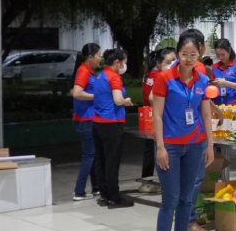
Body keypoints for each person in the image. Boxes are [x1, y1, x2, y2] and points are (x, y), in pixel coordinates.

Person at [150, 32, 214, 231]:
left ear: (200, 54)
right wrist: (160, 147)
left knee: (188, 198)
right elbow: (157, 115)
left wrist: (210, 144)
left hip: (195, 144)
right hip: (170, 147)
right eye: (184, 54)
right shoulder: (164, 78)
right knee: (170, 199)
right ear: (177, 54)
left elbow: (205, 114)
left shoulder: (202, 78)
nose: (188, 59)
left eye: (193, 55)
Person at [92, 48, 135, 208]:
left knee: (101, 161)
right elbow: (117, 100)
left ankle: (104, 195)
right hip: (111, 124)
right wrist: (126, 100)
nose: (125, 65)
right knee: (112, 162)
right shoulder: (114, 77)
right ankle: (115, 197)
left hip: (97, 124)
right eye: (124, 62)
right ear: (117, 62)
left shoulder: (100, 75)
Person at [210, 38, 236, 178]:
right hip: (219, 110)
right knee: (218, 144)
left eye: (223, 54)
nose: (221, 58)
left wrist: (226, 83)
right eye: (218, 55)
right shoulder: (215, 68)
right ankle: (218, 176)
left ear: (229, 51)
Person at [71, 43, 101, 201]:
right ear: (90, 57)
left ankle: (96, 187)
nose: (100, 58)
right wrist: (97, 97)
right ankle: (79, 190)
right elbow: (77, 93)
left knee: (92, 154)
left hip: (88, 119)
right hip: (85, 120)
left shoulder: (88, 71)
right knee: (89, 155)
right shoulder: (83, 71)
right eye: (98, 55)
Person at [142, 47, 177, 179]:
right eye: (169, 62)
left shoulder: (150, 74)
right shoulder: (160, 76)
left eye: (174, 61)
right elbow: (152, 98)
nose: (172, 65)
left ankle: (146, 179)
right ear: (159, 63)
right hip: (157, 118)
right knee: (156, 150)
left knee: (150, 149)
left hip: (150, 116)